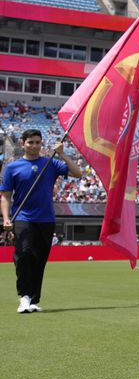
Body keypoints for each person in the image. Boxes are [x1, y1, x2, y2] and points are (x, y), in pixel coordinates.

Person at [1, 129, 83, 313]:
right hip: (23, 217)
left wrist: (62, 154)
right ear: (22, 143)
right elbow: (5, 196)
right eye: (30, 142)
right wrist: (6, 218)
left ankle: (33, 300)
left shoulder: (51, 163)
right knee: (24, 254)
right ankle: (24, 296)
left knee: (39, 259)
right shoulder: (13, 167)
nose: (34, 146)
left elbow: (77, 173)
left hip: (46, 219)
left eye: (38, 142)